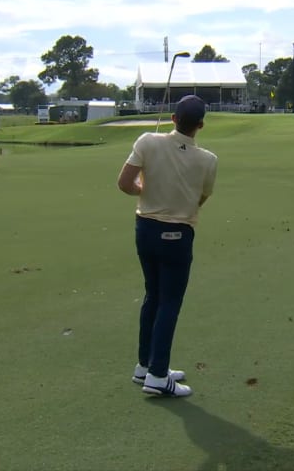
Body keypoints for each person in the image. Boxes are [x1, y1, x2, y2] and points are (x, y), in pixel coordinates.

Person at [117, 95, 218, 397]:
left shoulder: (147, 141)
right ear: (200, 125)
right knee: (169, 303)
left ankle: (146, 365)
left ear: (174, 118)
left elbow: (125, 183)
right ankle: (158, 375)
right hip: (178, 235)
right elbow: (201, 198)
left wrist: (145, 190)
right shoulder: (208, 160)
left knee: (153, 295)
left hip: (145, 229)